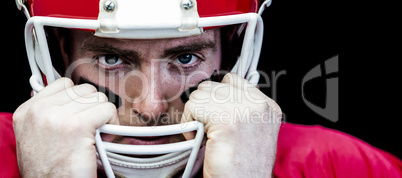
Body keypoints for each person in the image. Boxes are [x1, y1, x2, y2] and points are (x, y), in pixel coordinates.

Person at [0, 0, 401, 177]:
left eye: (186, 59)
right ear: (58, 50)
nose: (152, 107)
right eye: (111, 59)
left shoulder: (341, 167)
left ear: (229, 52)